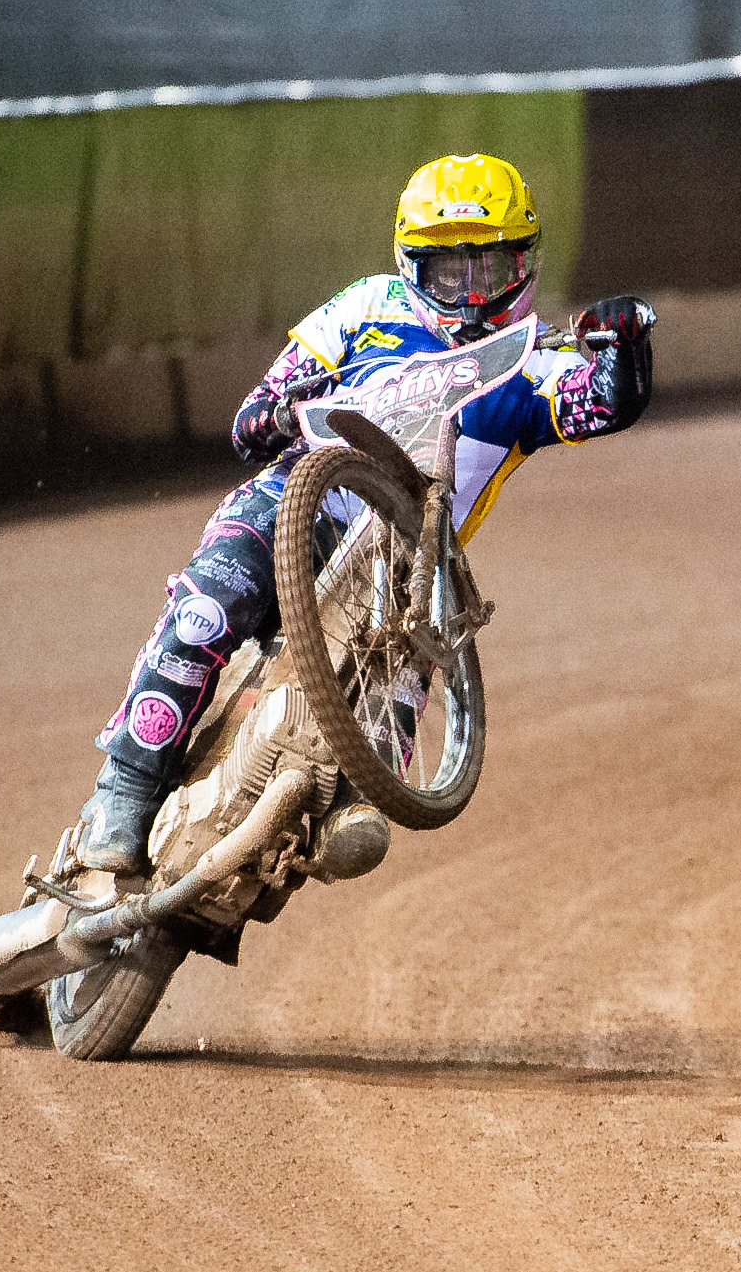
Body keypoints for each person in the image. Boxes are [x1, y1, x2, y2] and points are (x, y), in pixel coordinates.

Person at [75, 151, 654, 876]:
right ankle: (122, 789)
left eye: (491, 268)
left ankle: (342, 805)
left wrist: (626, 343)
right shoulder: (364, 305)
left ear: (525, 261)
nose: (473, 295)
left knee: (387, 723)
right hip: (295, 503)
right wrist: (278, 411)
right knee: (206, 609)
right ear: (413, 266)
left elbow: (606, 401)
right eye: (451, 273)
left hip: (407, 562)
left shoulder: (533, 361)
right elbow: (253, 418)